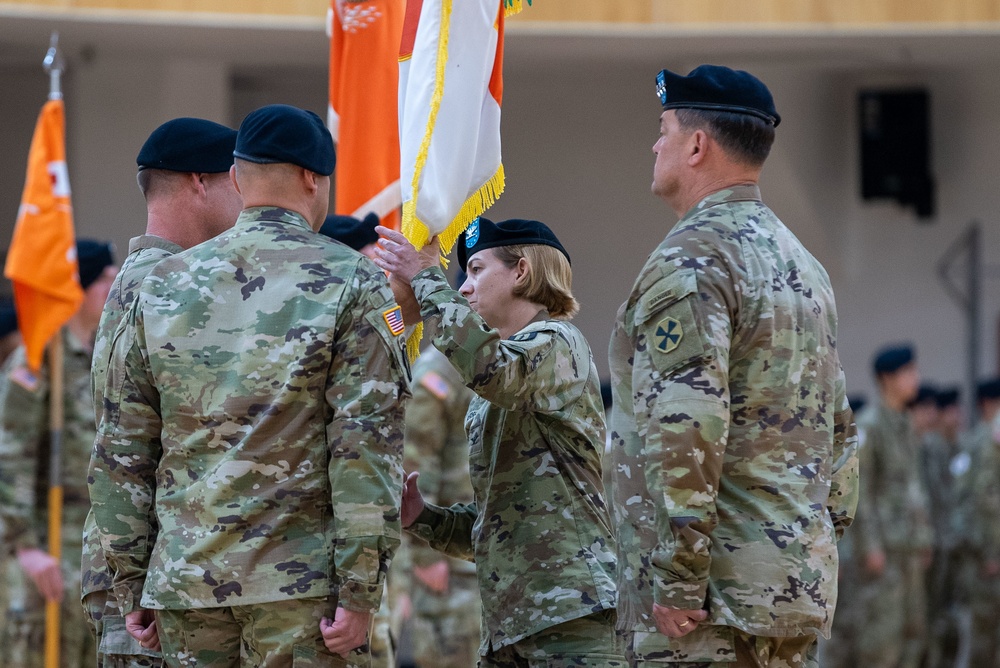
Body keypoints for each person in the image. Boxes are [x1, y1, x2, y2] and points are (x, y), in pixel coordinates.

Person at [88, 104, 410, 665]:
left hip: (183, 582)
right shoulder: (355, 280)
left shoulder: (160, 283)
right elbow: (365, 447)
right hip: (302, 589)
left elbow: (121, 448)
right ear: (313, 178)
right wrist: (361, 591)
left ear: (236, 177)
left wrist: (129, 580)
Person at [606, 64, 859, 667]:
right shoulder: (802, 264)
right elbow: (842, 433)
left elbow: (688, 424)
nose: (655, 142)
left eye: (664, 128)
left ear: (698, 145)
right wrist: (802, 548)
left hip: (708, 607)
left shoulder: (693, 259)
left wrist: (679, 579)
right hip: (784, 586)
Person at [374, 217, 624, 667]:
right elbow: (497, 523)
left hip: (571, 617)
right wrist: (425, 518)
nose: (464, 288)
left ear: (521, 272)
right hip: (510, 624)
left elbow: (492, 368)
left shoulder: (558, 343)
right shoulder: (490, 389)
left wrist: (427, 277)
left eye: (475, 270)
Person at [83, 116, 242, 668]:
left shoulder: (154, 278)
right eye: (236, 179)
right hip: (152, 585)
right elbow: (121, 451)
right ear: (201, 182)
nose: (249, 197)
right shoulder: (164, 285)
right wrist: (133, 588)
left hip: (158, 575)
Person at [0, 240, 118, 667]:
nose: (112, 286)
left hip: (91, 549)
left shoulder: (99, 356)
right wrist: (24, 546)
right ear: (78, 287)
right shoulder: (37, 360)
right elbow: (9, 453)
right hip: (45, 548)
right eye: (102, 279)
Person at [317, 209, 400, 668]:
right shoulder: (345, 336)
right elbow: (359, 454)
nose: (382, 277)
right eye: (372, 263)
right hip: (331, 569)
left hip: (364, 565)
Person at [845, 345, 933, 668]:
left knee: (914, 635)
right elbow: (860, 490)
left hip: (908, 546)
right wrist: (870, 546)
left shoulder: (906, 424)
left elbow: (914, 488)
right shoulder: (870, 425)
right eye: (908, 372)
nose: (916, 379)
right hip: (885, 551)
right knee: (881, 640)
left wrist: (924, 536)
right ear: (887, 378)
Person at [403, 343, 480, 668]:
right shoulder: (439, 370)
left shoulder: (482, 357)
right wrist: (426, 555)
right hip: (446, 557)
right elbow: (416, 462)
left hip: (474, 551)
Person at [965, 378, 1000, 666]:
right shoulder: (988, 438)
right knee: (985, 627)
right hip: (988, 547)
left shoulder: (980, 436)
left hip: (983, 543)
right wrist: (990, 551)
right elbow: (985, 497)